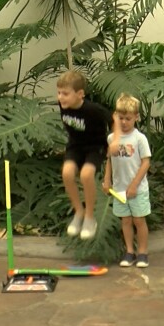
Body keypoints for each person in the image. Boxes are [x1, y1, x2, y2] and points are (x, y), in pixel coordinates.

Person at [56, 70, 118, 240]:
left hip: (95, 147)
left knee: (86, 175)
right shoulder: (62, 105)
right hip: (75, 146)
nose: (61, 97)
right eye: (59, 93)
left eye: (66, 94)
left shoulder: (92, 110)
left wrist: (116, 140)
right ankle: (79, 212)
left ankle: (90, 217)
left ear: (80, 94)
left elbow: (114, 120)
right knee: (67, 173)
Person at [102, 93, 152, 268]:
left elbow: (146, 162)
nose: (124, 122)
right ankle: (129, 251)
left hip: (137, 189)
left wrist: (134, 185)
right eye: (121, 118)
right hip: (119, 189)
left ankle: (143, 253)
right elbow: (109, 160)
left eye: (128, 118)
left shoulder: (139, 139)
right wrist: (106, 180)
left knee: (139, 220)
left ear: (136, 118)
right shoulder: (111, 138)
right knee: (126, 221)